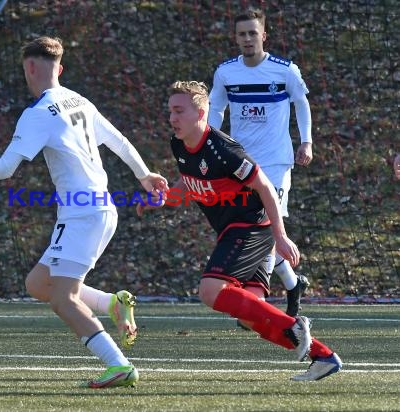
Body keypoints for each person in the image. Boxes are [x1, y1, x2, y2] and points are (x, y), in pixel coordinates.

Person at [0, 36, 168, 388]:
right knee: (38, 284)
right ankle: (113, 304)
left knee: (63, 299)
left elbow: (4, 170)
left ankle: (118, 365)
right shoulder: (80, 101)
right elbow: (119, 140)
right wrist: (145, 175)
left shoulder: (36, 114)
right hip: (97, 209)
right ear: (59, 69)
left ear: (30, 68)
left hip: (84, 216)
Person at [138, 80, 342, 381]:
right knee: (252, 316)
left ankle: (295, 327)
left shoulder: (223, 149)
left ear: (201, 112)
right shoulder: (178, 145)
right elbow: (190, 186)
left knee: (210, 291)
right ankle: (323, 357)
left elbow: (265, 188)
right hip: (236, 230)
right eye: (170, 111)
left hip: (251, 226)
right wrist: (163, 200)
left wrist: (281, 235)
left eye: (179, 111)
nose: (172, 118)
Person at [208, 8, 310, 317]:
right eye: (242, 34)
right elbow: (215, 109)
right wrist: (210, 142)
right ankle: (293, 284)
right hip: (241, 164)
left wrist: (306, 141)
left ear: (263, 35)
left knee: (265, 225)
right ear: (235, 38)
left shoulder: (285, 70)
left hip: (277, 162)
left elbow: (302, 103)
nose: (248, 38)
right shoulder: (226, 73)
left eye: (253, 33)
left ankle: (257, 301)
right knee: (256, 228)